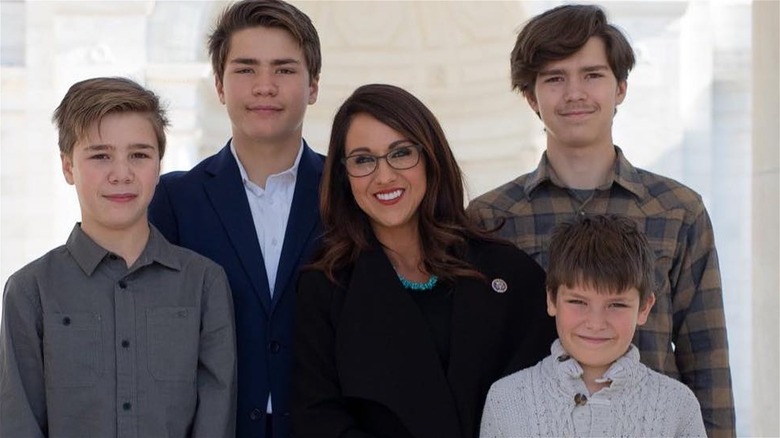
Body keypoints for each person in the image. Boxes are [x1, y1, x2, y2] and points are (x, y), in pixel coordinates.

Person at [467, 4, 734, 436]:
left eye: (592, 75)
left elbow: (707, 363)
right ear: (531, 97)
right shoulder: (490, 218)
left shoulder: (678, 211)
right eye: (555, 78)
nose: (575, 93)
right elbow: (477, 359)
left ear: (621, 87)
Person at [291, 84, 556, 438]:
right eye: (363, 159)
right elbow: (317, 418)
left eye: (401, 153)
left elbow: (548, 398)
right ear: (343, 175)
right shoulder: (325, 285)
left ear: (430, 156)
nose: (384, 176)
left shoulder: (507, 273)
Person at [0, 77, 236, 437]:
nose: (121, 174)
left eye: (139, 155)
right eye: (100, 156)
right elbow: (19, 423)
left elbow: (216, 420)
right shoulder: (30, 291)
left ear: (158, 165)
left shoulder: (204, 284)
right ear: (68, 167)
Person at [147, 1, 322, 436]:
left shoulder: (349, 192)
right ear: (220, 86)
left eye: (284, 69)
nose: (265, 86)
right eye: (246, 69)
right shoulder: (172, 199)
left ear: (313, 85)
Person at [480, 214, 707, 437]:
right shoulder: (506, 399)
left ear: (644, 308)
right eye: (578, 302)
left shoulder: (678, 405)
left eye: (616, 305)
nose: (596, 323)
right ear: (551, 299)